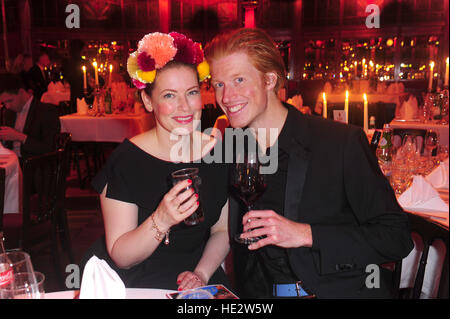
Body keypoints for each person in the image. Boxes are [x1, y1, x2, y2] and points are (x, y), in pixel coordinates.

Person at [204, 28, 413, 299]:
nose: (226, 97)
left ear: (270, 80)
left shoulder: (339, 143)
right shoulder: (233, 147)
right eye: (219, 84)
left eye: (239, 80)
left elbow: (396, 237)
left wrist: (305, 234)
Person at [88, 31, 230, 291]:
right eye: (169, 96)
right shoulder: (127, 161)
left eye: (191, 92)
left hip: (199, 275)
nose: (184, 107)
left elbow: (222, 231)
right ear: (147, 101)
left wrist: (201, 273)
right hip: (139, 280)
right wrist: (161, 219)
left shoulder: (218, 149)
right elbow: (121, 256)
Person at [0, 73, 61, 161]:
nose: (7, 106)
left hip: (34, 164)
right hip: (12, 161)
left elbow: (50, 149)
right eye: (4, 103)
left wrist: (20, 137)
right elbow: (7, 145)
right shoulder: (9, 112)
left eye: (9, 101)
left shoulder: (46, 111)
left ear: (21, 92)